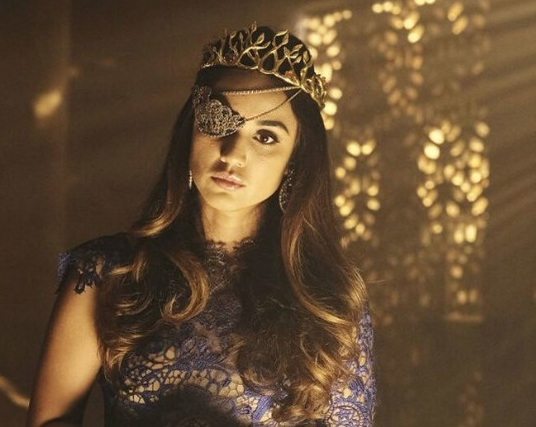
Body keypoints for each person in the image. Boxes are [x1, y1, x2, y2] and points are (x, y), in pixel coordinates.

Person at [28, 24, 376, 426]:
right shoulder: (108, 272)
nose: (233, 153)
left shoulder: (328, 299)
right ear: (190, 131)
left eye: (265, 137)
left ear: (294, 163)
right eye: (218, 120)